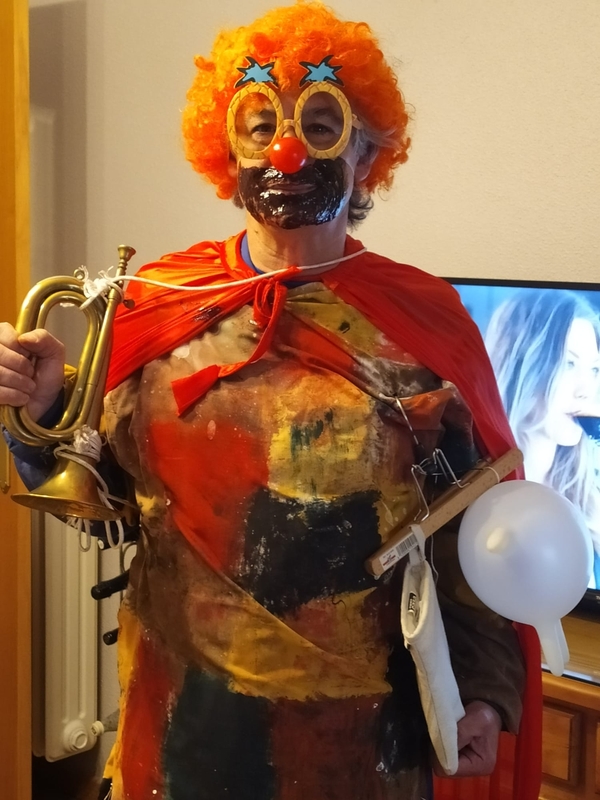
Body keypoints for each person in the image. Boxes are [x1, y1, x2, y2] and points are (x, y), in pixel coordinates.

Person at [0, 4, 541, 800]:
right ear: (227, 150)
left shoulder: (420, 323)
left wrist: (487, 692)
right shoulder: (164, 299)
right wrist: (44, 408)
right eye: (261, 125)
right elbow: (106, 501)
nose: (288, 149)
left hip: (362, 741)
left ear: (365, 150)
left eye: (322, 124)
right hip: (181, 723)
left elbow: (475, 532)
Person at [486, 288, 600, 589]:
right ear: (521, 363)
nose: (586, 389)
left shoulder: (589, 494)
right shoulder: (479, 496)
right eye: (569, 363)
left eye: (594, 369)